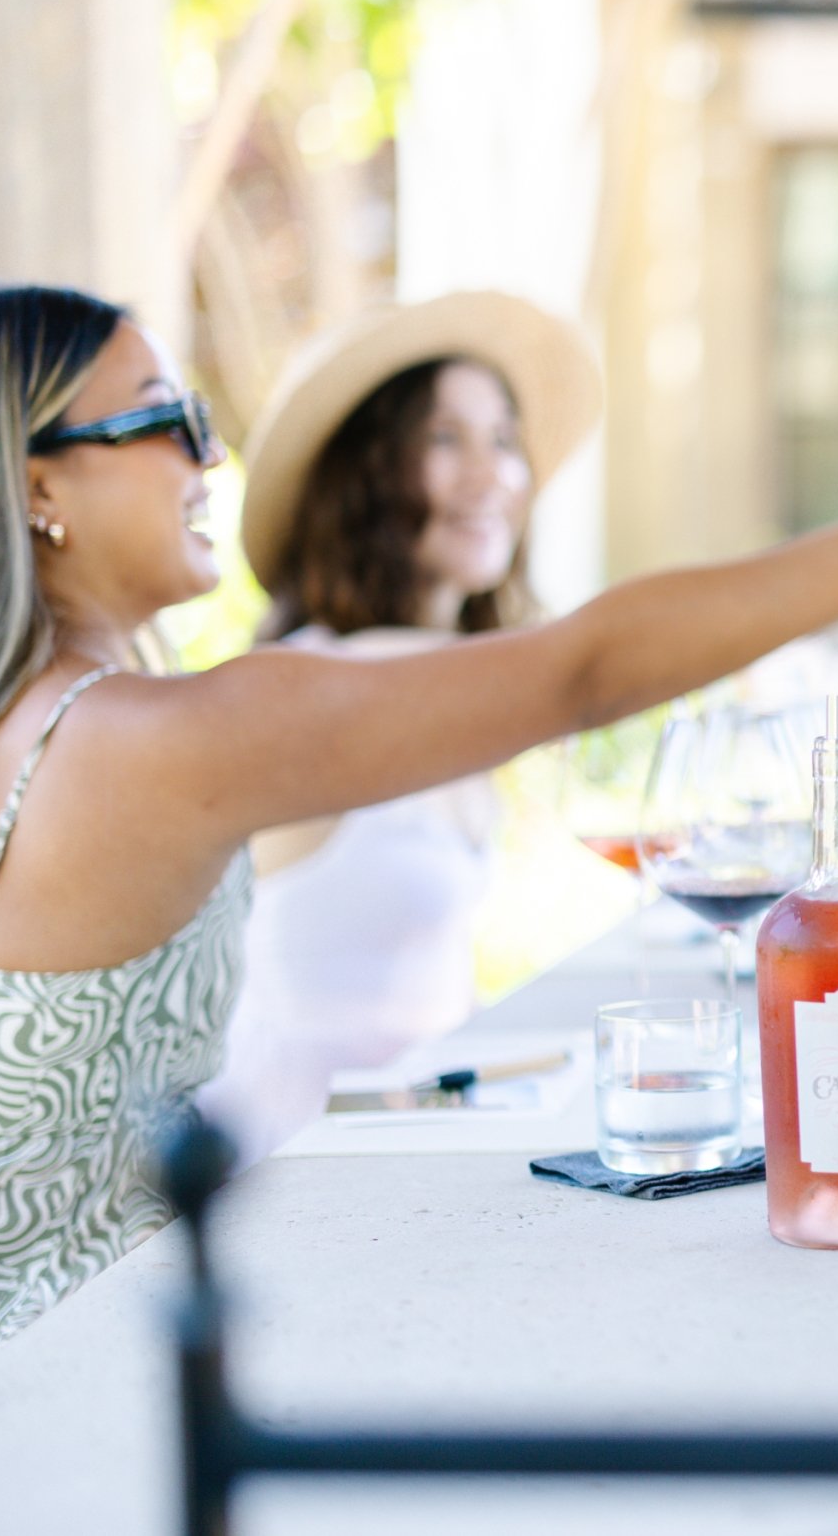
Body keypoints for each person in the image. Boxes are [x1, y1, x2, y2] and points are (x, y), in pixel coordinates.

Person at [0, 284, 838, 1417]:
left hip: (38, 1349)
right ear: (38, 484)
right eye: (167, 419)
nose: (209, 454)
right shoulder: (127, 744)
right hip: (1, 1397)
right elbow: (578, 671)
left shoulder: (21, 725)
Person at [198, 295, 603, 1166]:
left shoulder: (454, 677)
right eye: (444, 438)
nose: (491, 474)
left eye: (504, 439)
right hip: (294, 1159)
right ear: (366, 476)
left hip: (427, 1135)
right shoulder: (321, 685)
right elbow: (584, 669)